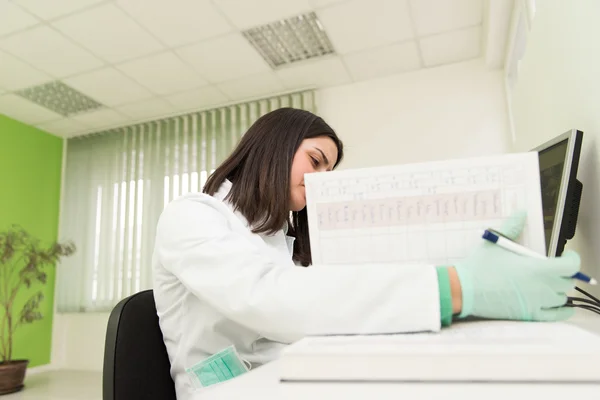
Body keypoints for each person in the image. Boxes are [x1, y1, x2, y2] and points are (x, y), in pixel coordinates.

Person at [152, 108, 580, 399]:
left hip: (276, 370)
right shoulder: (191, 216)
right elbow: (268, 298)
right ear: (273, 147)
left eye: (328, 170)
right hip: (223, 387)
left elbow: (319, 297)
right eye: (315, 161)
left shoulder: (278, 234)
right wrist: (455, 288)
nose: (321, 179)